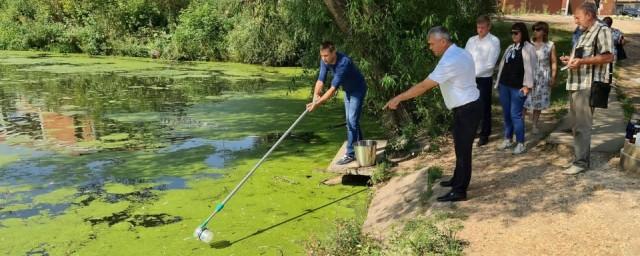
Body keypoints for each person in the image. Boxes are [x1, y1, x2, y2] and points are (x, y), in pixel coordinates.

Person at [384, 26, 480, 202]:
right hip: (467, 107)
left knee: (463, 150)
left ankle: (460, 191)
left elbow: (423, 86)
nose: (430, 47)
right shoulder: (460, 52)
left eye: (431, 44)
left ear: (443, 42)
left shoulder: (450, 60)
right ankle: (457, 180)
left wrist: (398, 98)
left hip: (467, 108)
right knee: (460, 147)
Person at [559, 2, 614, 175]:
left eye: (578, 17)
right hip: (575, 83)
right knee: (576, 126)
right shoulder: (583, 33)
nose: (576, 21)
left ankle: (581, 163)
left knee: (583, 126)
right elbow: (585, 56)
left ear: (589, 15)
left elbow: (609, 56)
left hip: (587, 85)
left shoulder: (602, 30)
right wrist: (571, 59)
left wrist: (581, 62)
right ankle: (579, 158)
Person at [306, 41, 367, 165]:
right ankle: (361, 144)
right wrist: (315, 97)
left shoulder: (343, 63)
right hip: (348, 90)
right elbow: (320, 80)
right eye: (322, 56)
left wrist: (317, 104)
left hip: (358, 90)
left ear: (334, 52)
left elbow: (332, 90)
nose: (324, 59)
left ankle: (350, 154)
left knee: (351, 121)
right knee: (351, 120)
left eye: (326, 56)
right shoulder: (325, 61)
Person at [494, 22, 537, 155]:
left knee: (516, 115)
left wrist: (527, 86)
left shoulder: (529, 48)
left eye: (516, 33)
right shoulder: (510, 47)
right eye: (512, 32)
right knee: (506, 114)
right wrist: (498, 83)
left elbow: (532, 69)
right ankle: (508, 138)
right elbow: (502, 65)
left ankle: (520, 143)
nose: (513, 35)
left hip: (518, 88)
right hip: (504, 85)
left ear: (522, 33)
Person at [465, 15, 501, 147]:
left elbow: (490, 64)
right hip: (469, 79)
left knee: (484, 107)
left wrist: (473, 73)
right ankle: (473, 130)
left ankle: (485, 134)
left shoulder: (494, 41)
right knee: (470, 106)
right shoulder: (471, 41)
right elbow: (465, 57)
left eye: (482, 27)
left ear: (489, 27)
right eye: (478, 27)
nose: (480, 30)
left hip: (483, 79)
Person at [524, 22, 557, 134]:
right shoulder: (529, 44)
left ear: (544, 32)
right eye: (534, 29)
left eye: (538, 30)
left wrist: (553, 76)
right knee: (524, 100)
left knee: (538, 102)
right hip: (529, 75)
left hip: (543, 77)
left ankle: (534, 124)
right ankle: (520, 123)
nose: (535, 32)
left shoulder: (550, 45)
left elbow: (553, 62)